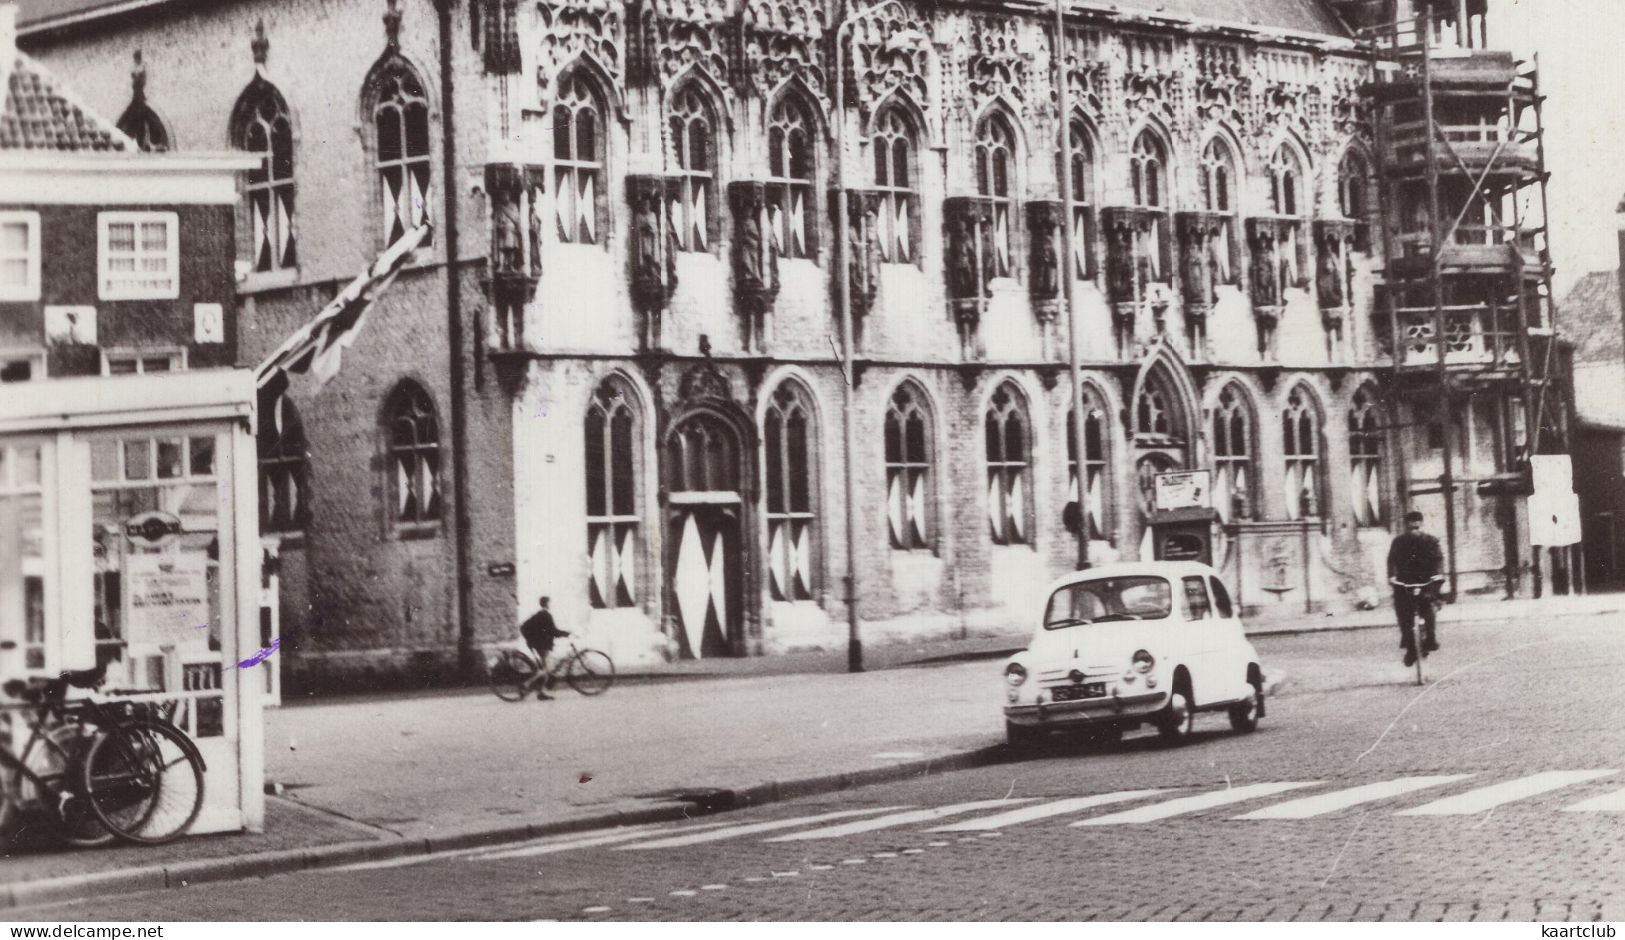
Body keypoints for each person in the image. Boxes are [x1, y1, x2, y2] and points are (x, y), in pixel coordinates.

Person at [1387, 510, 1443, 667]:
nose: (1415, 529)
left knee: (1429, 607)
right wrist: (1392, 576)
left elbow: (1438, 559)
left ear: (1422, 525)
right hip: (1405, 582)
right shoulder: (1398, 542)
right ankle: (1411, 649)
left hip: (1427, 581)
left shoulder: (1431, 541)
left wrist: (1438, 575)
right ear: (1406, 526)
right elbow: (1392, 560)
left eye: (1417, 526)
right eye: (1411, 526)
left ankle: (1430, 639)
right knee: (1403, 613)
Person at [519, 596, 569, 700]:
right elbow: (553, 631)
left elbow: (523, 626)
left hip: (538, 645)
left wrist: (530, 641)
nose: (551, 604)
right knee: (546, 670)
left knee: (544, 669)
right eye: (549, 602)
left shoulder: (538, 615)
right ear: (546, 603)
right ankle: (526, 684)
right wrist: (567, 633)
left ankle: (540, 693)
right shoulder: (546, 615)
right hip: (543, 646)